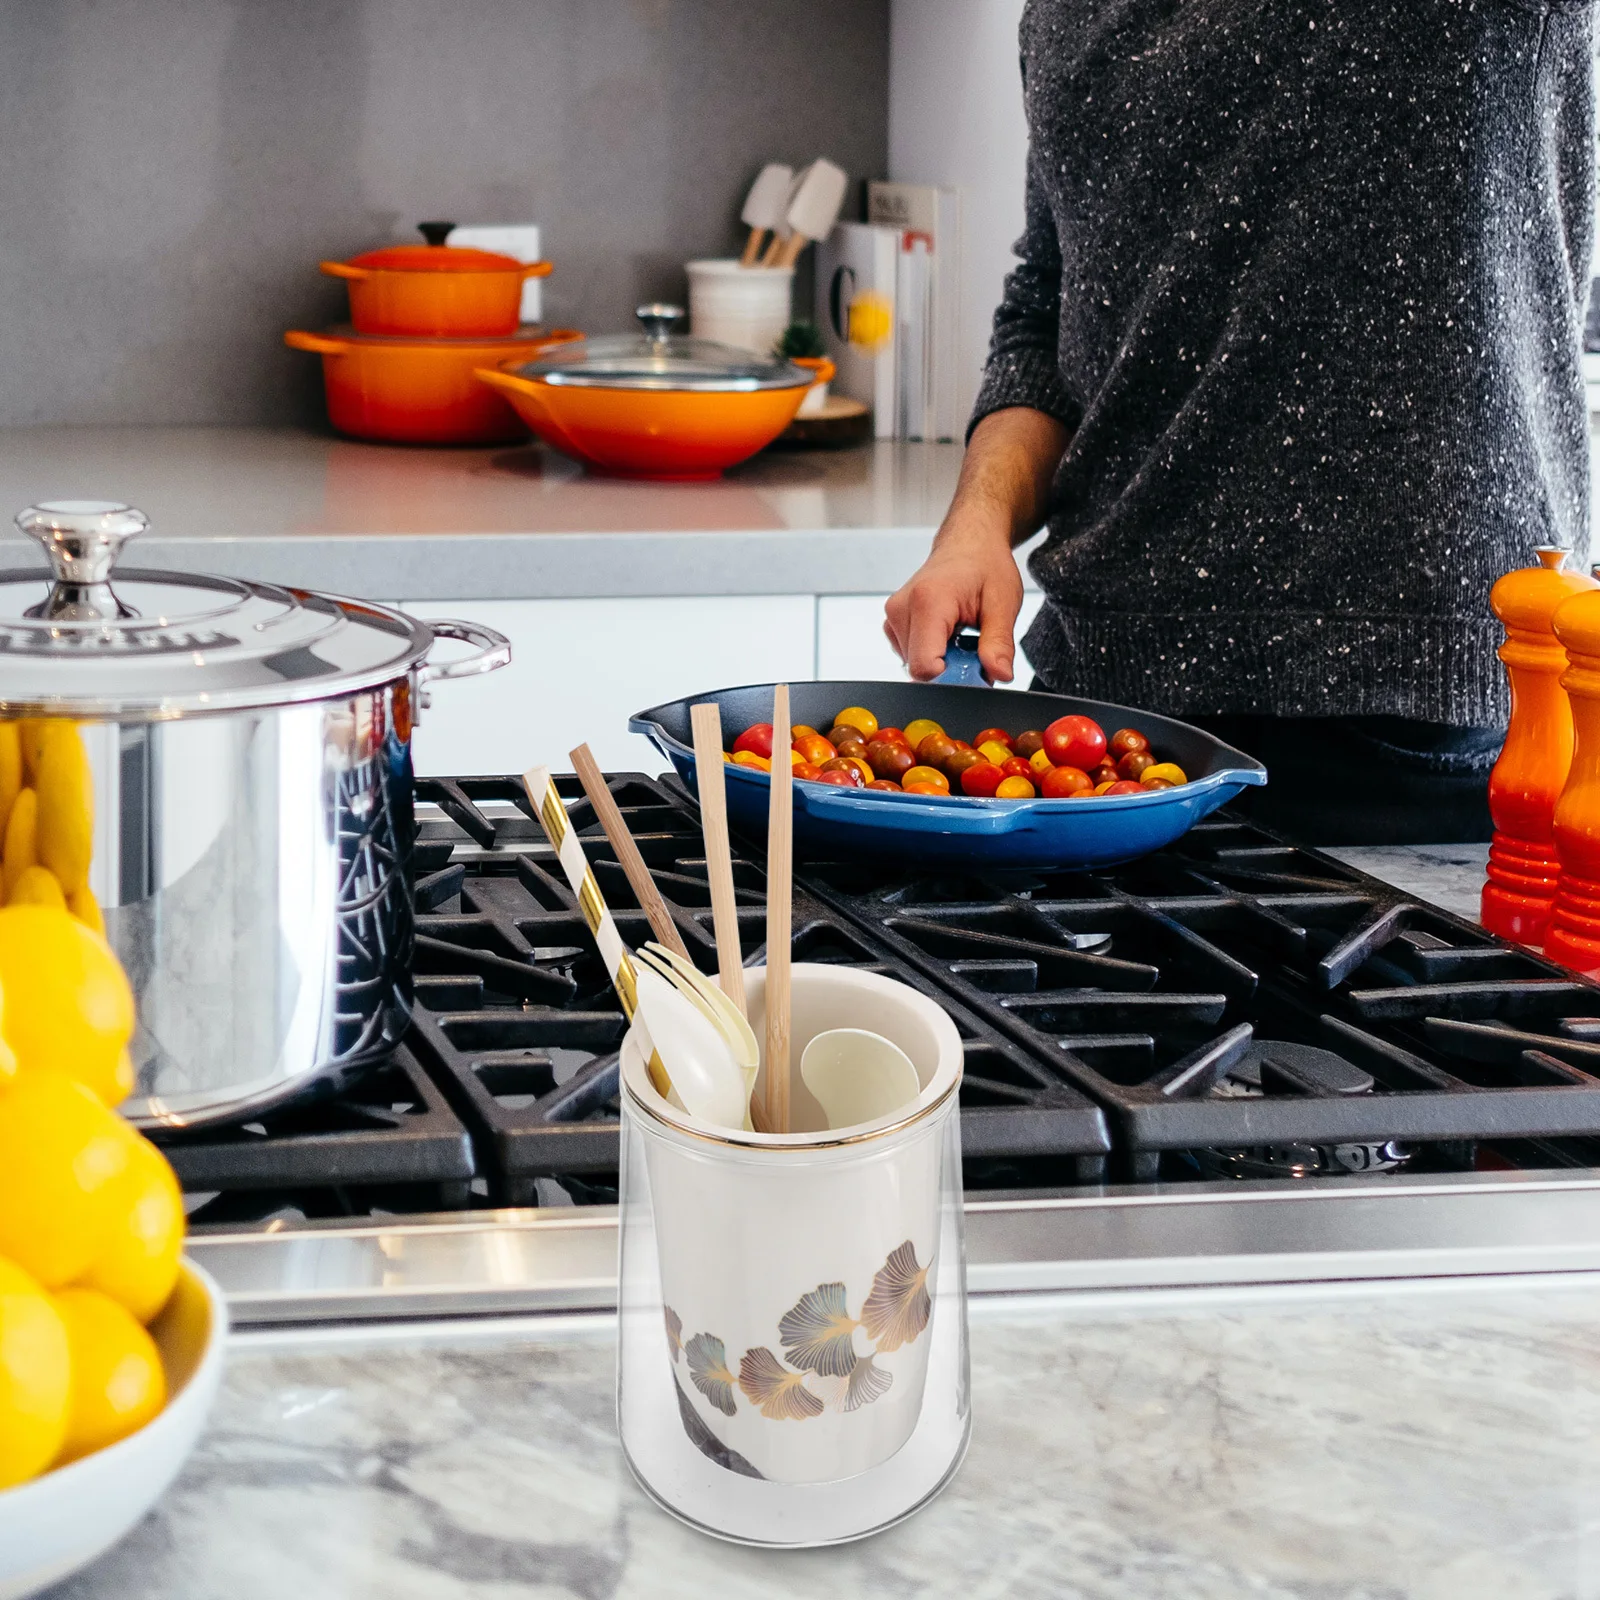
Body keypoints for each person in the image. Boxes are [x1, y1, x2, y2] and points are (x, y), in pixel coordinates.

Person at [884, 0, 1595, 846]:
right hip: (1106, 719)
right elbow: (1050, 319)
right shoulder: (1064, 15)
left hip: (1416, 719)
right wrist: (976, 524)